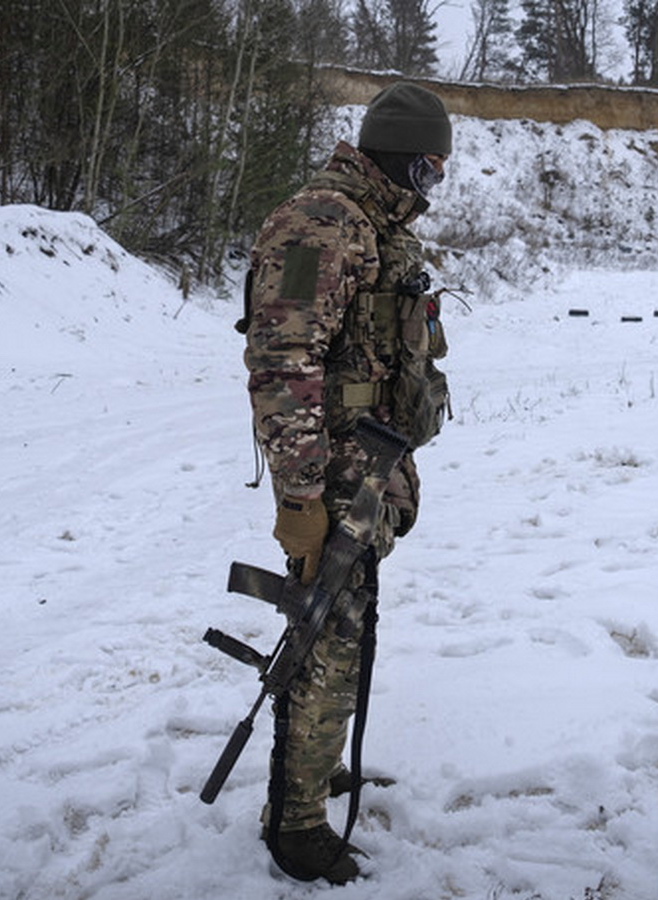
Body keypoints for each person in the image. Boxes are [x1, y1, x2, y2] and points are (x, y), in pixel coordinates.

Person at [241, 81, 454, 884]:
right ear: (404, 160)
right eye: (429, 169)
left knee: (343, 627)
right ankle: (295, 824)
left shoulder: (370, 224)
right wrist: (299, 499)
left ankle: (314, 760)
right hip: (328, 467)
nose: (432, 186)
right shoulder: (322, 224)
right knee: (330, 636)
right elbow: (281, 362)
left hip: (366, 458)